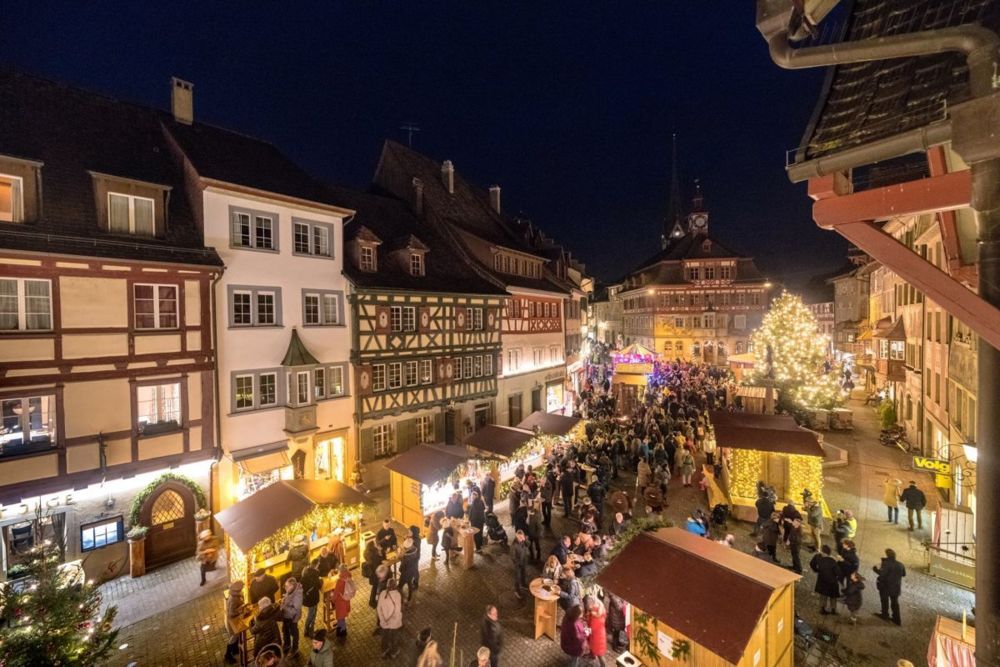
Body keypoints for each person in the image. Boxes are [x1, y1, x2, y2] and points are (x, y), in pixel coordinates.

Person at [873, 548, 906, 625]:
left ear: (887, 555)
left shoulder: (886, 563)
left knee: (884, 600)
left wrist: (875, 569)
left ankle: (885, 615)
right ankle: (897, 619)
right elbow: (904, 574)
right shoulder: (900, 564)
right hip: (896, 587)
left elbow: (882, 574)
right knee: (895, 603)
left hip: (886, 586)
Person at [376, 578, 403, 658]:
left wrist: (382, 620)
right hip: (394, 622)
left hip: (384, 621)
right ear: (395, 586)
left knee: (384, 637)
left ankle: (384, 651)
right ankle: (394, 652)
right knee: (394, 637)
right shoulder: (397, 595)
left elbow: (379, 608)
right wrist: (393, 620)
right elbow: (397, 610)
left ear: (387, 586)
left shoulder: (382, 593)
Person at [810, 545, 840, 615]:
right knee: (833, 596)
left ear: (823, 552)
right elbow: (838, 572)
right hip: (832, 582)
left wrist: (816, 570)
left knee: (823, 595)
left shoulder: (817, 557)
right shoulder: (832, 561)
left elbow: (812, 564)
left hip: (822, 580)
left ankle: (822, 609)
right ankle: (833, 610)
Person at [279, 576, 303, 655]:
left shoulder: (298, 595)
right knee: (285, 630)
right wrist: (284, 599)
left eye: (287, 586)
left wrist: (284, 606)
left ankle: (295, 648)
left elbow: (295, 611)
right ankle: (287, 644)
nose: (285, 588)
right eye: (285, 586)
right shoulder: (291, 590)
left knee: (294, 632)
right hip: (286, 616)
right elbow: (288, 598)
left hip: (292, 618)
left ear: (292, 586)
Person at [224, 581, 246, 664]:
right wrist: (240, 610)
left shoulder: (236, 596)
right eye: (241, 589)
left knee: (236, 637)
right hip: (233, 622)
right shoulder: (234, 599)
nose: (242, 590)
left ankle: (234, 649)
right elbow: (232, 613)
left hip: (235, 620)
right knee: (233, 638)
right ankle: (228, 655)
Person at [300, 560, 322, 639]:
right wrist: (320, 580)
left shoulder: (305, 572)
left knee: (312, 613)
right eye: (318, 565)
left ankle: (308, 631)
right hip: (313, 597)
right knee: (312, 614)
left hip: (307, 598)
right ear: (316, 565)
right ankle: (309, 631)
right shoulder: (315, 574)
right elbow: (319, 586)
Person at [331, 564, 352, 637]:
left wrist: (332, 599)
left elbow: (336, 593)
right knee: (342, 616)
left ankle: (342, 631)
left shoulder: (340, 581)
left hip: (340, 602)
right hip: (346, 600)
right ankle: (342, 630)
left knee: (340, 617)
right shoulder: (348, 576)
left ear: (340, 571)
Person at [587, 598, 608, 667]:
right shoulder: (600, 611)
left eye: (590, 604)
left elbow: (592, 628)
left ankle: (603, 666)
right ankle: (592, 655)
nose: (589, 606)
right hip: (596, 635)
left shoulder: (597, 618)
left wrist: (585, 631)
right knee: (594, 647)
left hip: (598, 638)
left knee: (600, 654)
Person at [400, 536, 420, 602]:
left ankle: (400, 598)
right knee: (409, 584)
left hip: (405, 573)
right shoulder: (415, 549)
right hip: (412, 571)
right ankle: (409, 597)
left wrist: (400, 569)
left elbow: (402, 566)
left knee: (400, 586)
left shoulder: (406, 556)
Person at [511, 530, 530, 600]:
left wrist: (525, 540)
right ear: (516, 536)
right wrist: (518, 563)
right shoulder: (514, 545)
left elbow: (528, 544)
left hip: (524, 562)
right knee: (517, 578)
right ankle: (517, 591)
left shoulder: (523, 541)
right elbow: (513, 557)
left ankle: (523, 584)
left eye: (522, 537)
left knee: (523, 574)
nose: (521, 539)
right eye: (520, 537)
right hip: (518, 565)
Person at [364, 540, 382, 609]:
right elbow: (379, 561)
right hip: (375, 574)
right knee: (375, 588)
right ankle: (372, 602)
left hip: (372, 574)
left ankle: (373, 601)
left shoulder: (367, 553)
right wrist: (379, 552)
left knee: (375, 587)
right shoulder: (374, 555)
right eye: (375, 545)